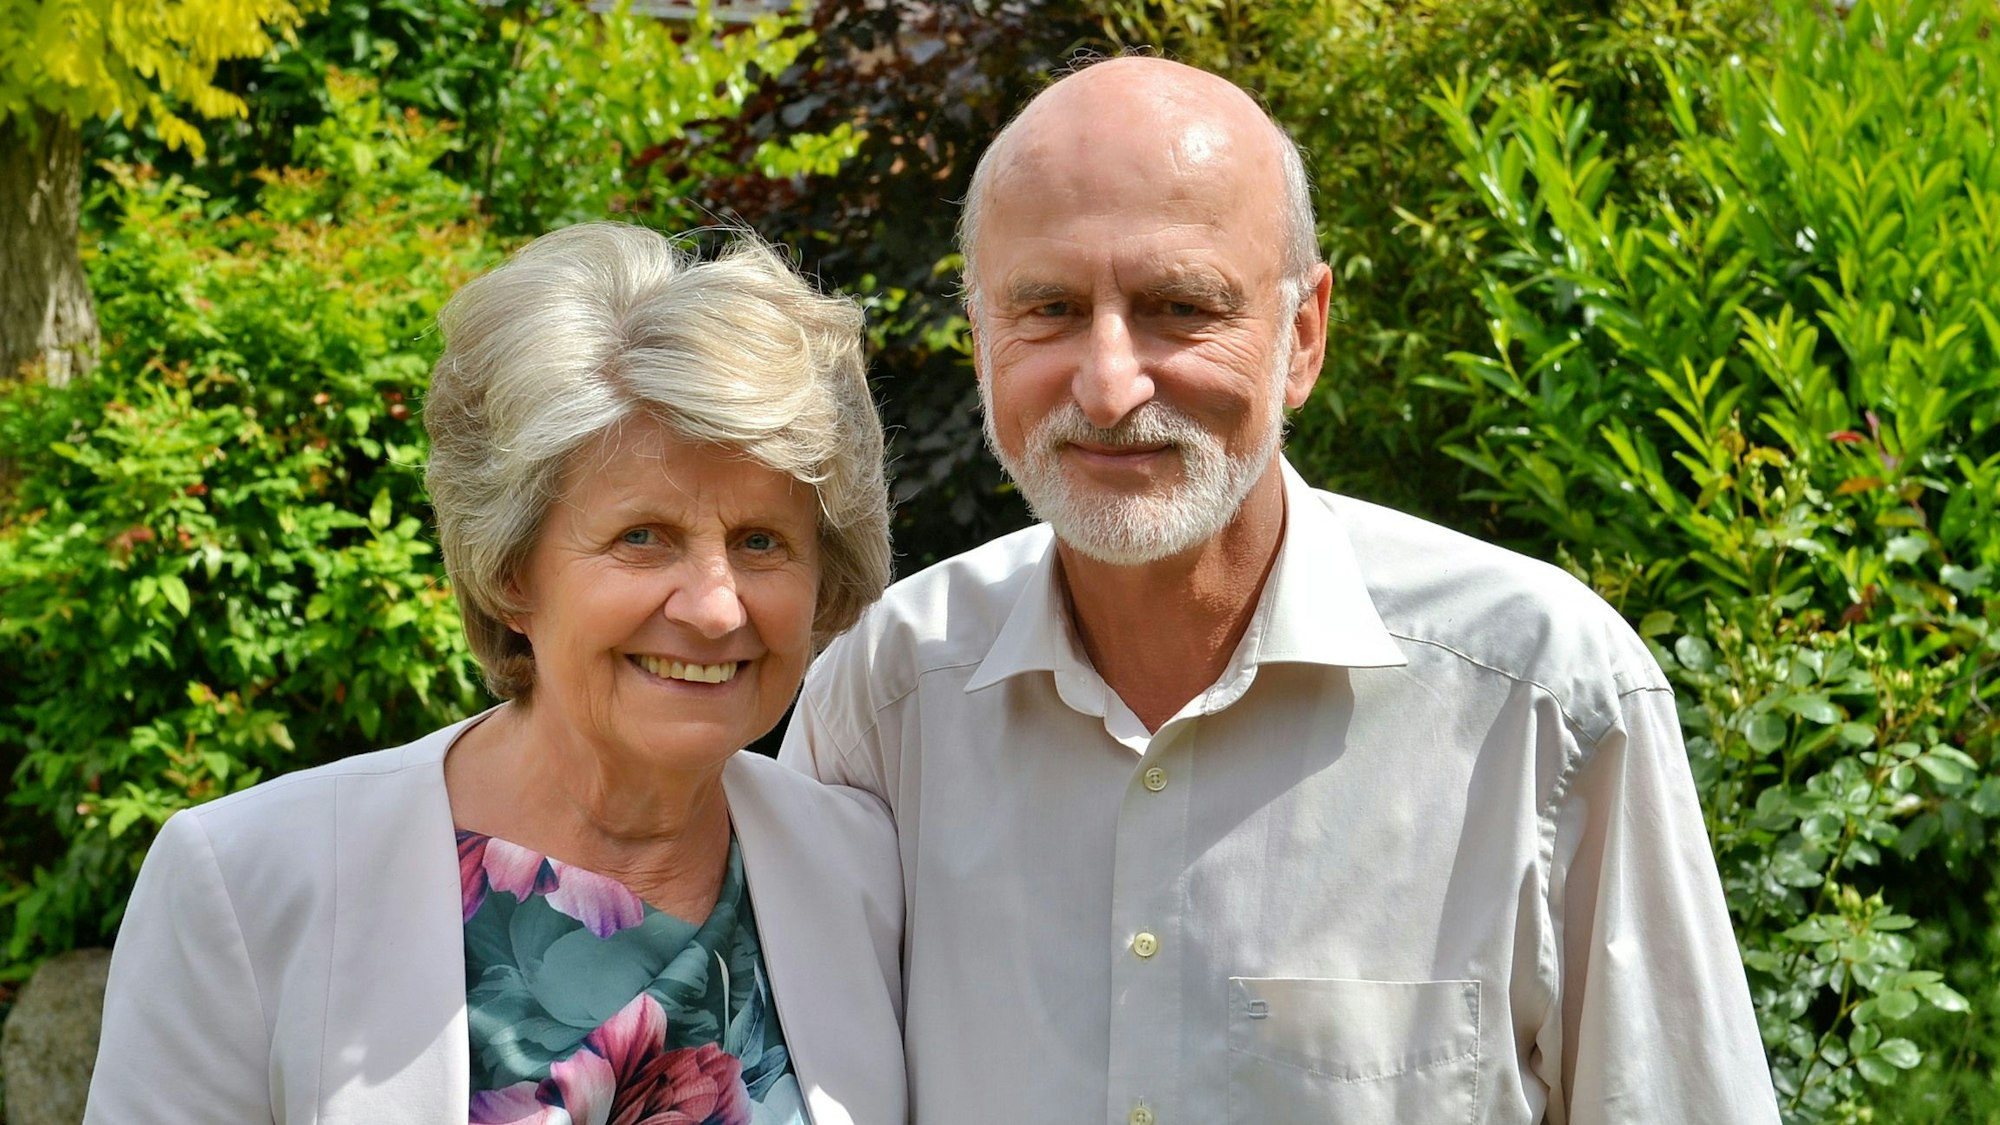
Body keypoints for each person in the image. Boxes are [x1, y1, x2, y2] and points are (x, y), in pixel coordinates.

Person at [779, 57, 1781, 1124]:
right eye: (1049, 308)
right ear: (980, 334)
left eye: (1178, 306)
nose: (1108, 385)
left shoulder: (1541, 699)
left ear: (1301, 335)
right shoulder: (886, 698)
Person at [86, 222, 905, 1124]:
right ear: (512, 570)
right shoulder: (246, 888)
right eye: (643, 537)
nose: (715, 606)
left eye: (761, 541)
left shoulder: (869, 872)